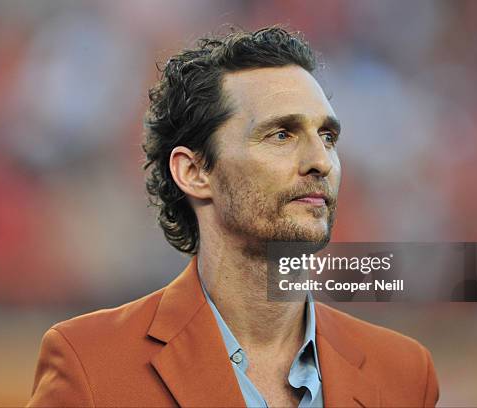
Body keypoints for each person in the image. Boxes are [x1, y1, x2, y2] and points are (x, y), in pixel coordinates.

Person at [28, 27, 439, 407]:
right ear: (194, 172)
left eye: (327, 136)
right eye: (281, 134)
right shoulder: (91, 365)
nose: (321, 162)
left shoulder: (404, 373)